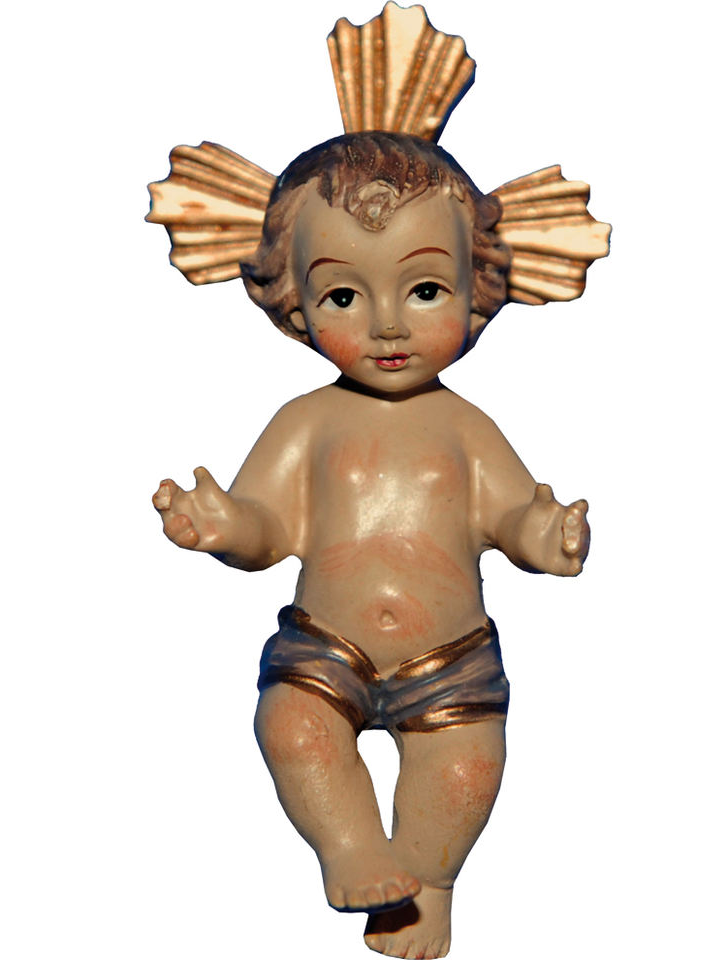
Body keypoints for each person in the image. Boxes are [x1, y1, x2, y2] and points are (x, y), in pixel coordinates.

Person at [152, 130, 593, 959]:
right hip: (327, 649)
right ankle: (349, 847)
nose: (388, 325)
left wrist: (546, 536)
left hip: (450, 659)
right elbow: (270, 525)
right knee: (293, 730)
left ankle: (427, 885)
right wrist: (226, 528)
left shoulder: (466, 428)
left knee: (465, 773)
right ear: (296, 305)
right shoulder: (307, 423)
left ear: (476, 286)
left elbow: (511, 513)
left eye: (424, 290)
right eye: (344, 296)